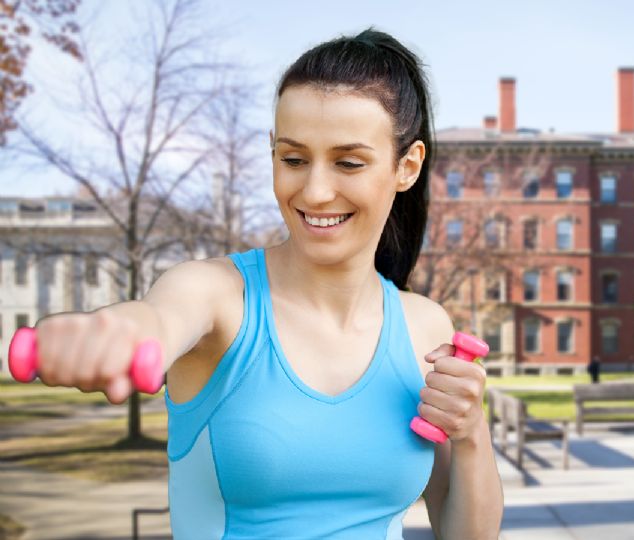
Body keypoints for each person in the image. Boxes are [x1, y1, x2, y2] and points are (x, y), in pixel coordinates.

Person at [30, 29, 504, 539]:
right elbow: (157, 319)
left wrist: (472, 431)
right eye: (293, 159)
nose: (316, 191)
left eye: (348, 162)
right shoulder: (216, 296)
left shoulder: (424, 326)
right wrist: (114, 333)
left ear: (406, 166)